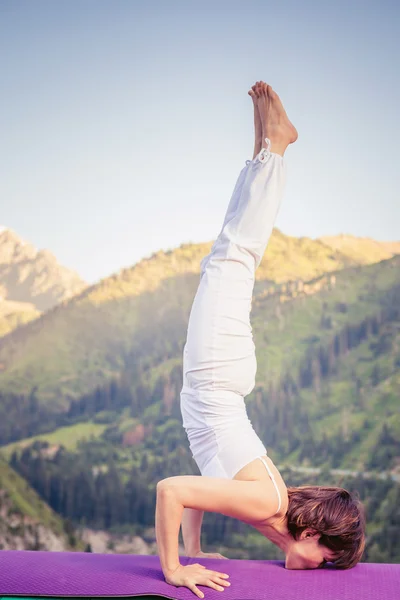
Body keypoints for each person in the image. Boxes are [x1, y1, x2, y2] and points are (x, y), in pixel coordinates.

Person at [155, 81, 366, 598]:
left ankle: (265, 145)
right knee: (234, 257)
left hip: (217, 379)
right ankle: (275, 145)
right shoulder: (270, 505)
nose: (321, 566)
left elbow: (207, 482)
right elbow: (172, 491)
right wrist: (173, 569)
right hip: (216, 376)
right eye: (326, 560)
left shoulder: (268, 510)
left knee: (228, 257)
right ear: (311, 535)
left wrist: (197, 549)